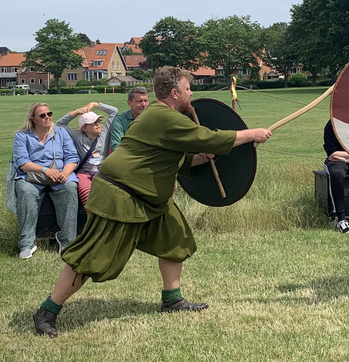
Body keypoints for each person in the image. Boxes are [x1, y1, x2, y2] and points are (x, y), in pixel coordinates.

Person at [32, 66, 272, 337]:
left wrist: (198, 159)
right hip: (120, 194)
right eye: (187, 88)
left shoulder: (159, 117)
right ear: (174, 93)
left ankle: (172, 299)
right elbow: (209, 138)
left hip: (150, 197)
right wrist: (252, 134)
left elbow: (168, 158)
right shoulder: (163, 116)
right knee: (91, 257)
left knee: (175, 238)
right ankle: (47, 311)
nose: (191, 92)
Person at [12, 103, 80, 259]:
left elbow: (72, 157)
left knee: (70, 188)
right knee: (25, 191)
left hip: (60, 174)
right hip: (32, 177)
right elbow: (22, 162)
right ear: (33, 119)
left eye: (49, 114)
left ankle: (67, 241)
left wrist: (65, 172)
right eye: (42, 115)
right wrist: (44, 170)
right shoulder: (22, 136)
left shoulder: (61, 133)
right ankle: (27, 243)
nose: (47, 117)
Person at [56, 102, 117, 206]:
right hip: (84, 173)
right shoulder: (77, 136)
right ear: (84, 128)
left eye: (99, 121)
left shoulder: (104, 134)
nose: (98, 124)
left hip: (102, 172)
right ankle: (90, 217)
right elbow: (60, 124)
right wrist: (75, 113)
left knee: (109, 194)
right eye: (94, 123)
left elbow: (114, 112)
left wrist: (95, 104)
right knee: (86, 194)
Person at [109, 86, 149, 152]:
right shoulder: (120, 121)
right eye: (139, 101)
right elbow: (116, 146)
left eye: (146, 101)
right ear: (129, 103)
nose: (144, 104)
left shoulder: (154, 117)